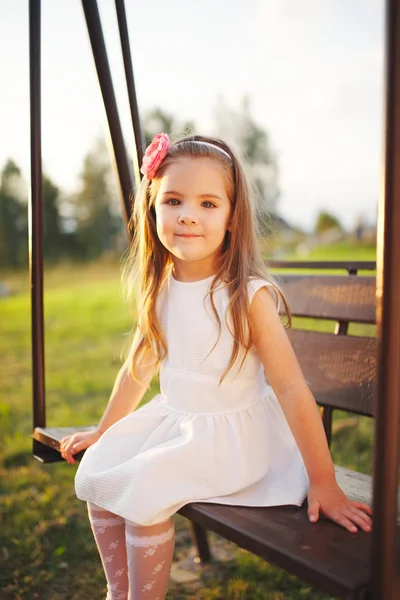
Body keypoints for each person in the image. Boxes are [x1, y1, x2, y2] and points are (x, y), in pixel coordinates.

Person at [60, 133, 372, 600]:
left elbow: (290, 388)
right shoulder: (161, 288)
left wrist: (323, 482)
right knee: (100, 468)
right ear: (153, 208)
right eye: (173, 200)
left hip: (234, 437)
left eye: (208, 203)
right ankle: (119, 591)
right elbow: (137, 371)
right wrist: (104, 431)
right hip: (177, 421)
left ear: (232, 218)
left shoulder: (247, 296)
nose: (187, 214)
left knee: (144, 485)